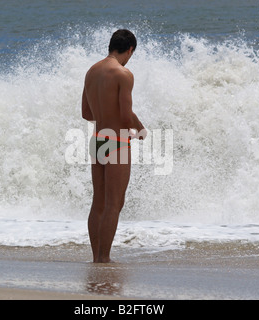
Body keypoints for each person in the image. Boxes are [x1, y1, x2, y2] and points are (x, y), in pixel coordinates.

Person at [82, 29, 146, 263]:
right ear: (129, 49)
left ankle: (96, 256)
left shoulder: (92, 71)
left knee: (98, 201)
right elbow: (126, 117)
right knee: (114, 203)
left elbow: (85, 112)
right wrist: (141, 129)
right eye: (131, 53)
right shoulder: (123, 74)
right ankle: (104, 258)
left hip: (98, 138)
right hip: (117, 140)